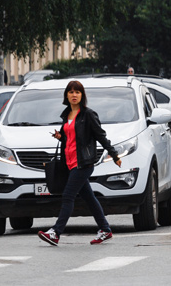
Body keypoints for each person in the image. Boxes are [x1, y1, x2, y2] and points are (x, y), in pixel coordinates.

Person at [38, 81, 120, 246]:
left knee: (68, 196)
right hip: (69, 163)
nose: (74, 95)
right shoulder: (66, 115)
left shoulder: (88, 114)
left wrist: (114, 154)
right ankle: (105, 229)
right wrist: (62, 137)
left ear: (82, 96)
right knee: (89, 198)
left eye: (77, 92)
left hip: (83, 164)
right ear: (66, 95)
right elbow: (73, 137)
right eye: (71, 92)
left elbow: (100, 136)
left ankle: (55, 232)